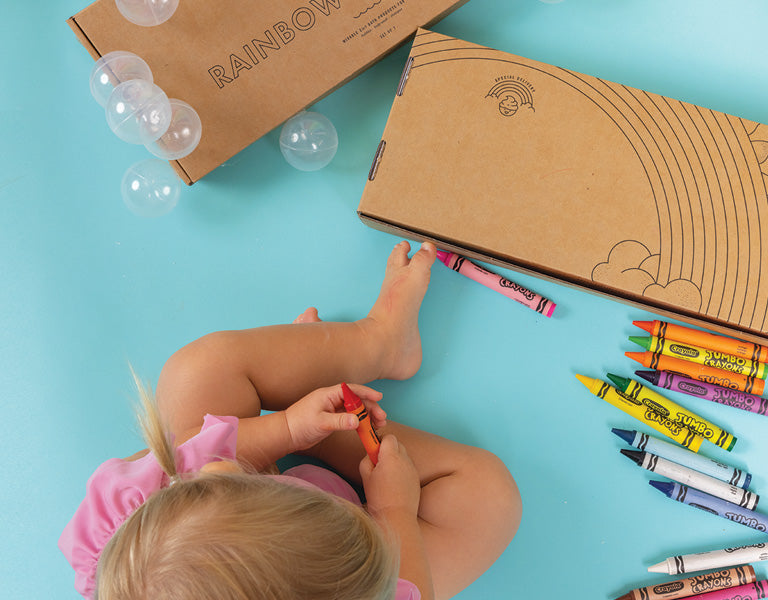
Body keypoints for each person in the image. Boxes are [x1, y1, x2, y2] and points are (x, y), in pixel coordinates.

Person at [59, 241, 522, 600]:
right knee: (488, 499)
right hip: (376, 566)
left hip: (222, 514)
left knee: (195, 373)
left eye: (223, 475)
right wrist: (392, 512)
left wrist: (287, 430)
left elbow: (204, 461)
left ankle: (381, 341)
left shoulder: (130, 526)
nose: (223, 466)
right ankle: (322, 422)